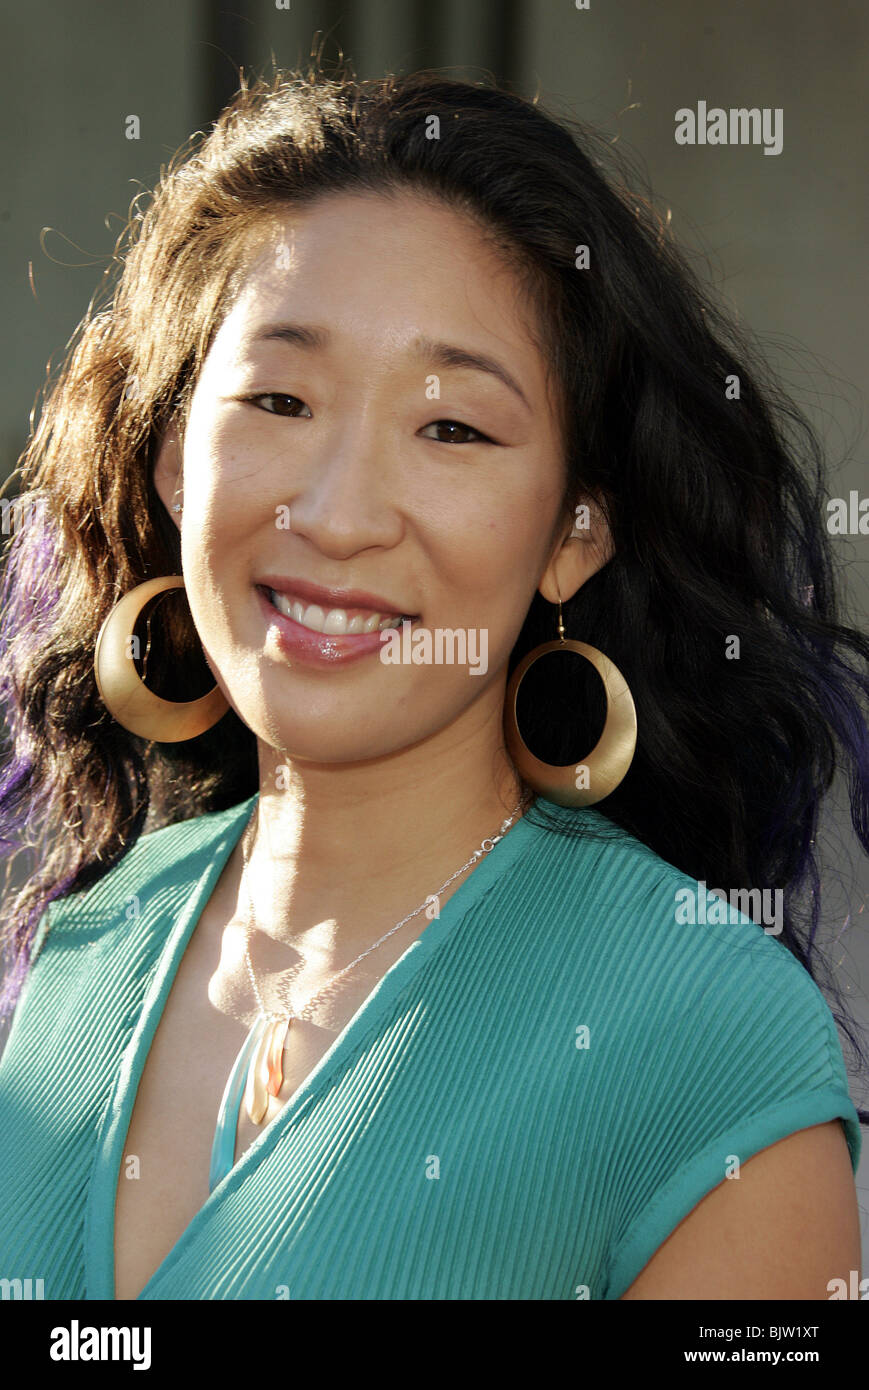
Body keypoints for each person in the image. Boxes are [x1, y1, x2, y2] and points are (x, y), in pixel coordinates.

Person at [0, 61, 866, 1302]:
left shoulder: (705, 1040)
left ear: (574, 531)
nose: (340, 514)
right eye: (279, 399)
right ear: (175, 464)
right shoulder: (87, 947)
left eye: (451, 426)